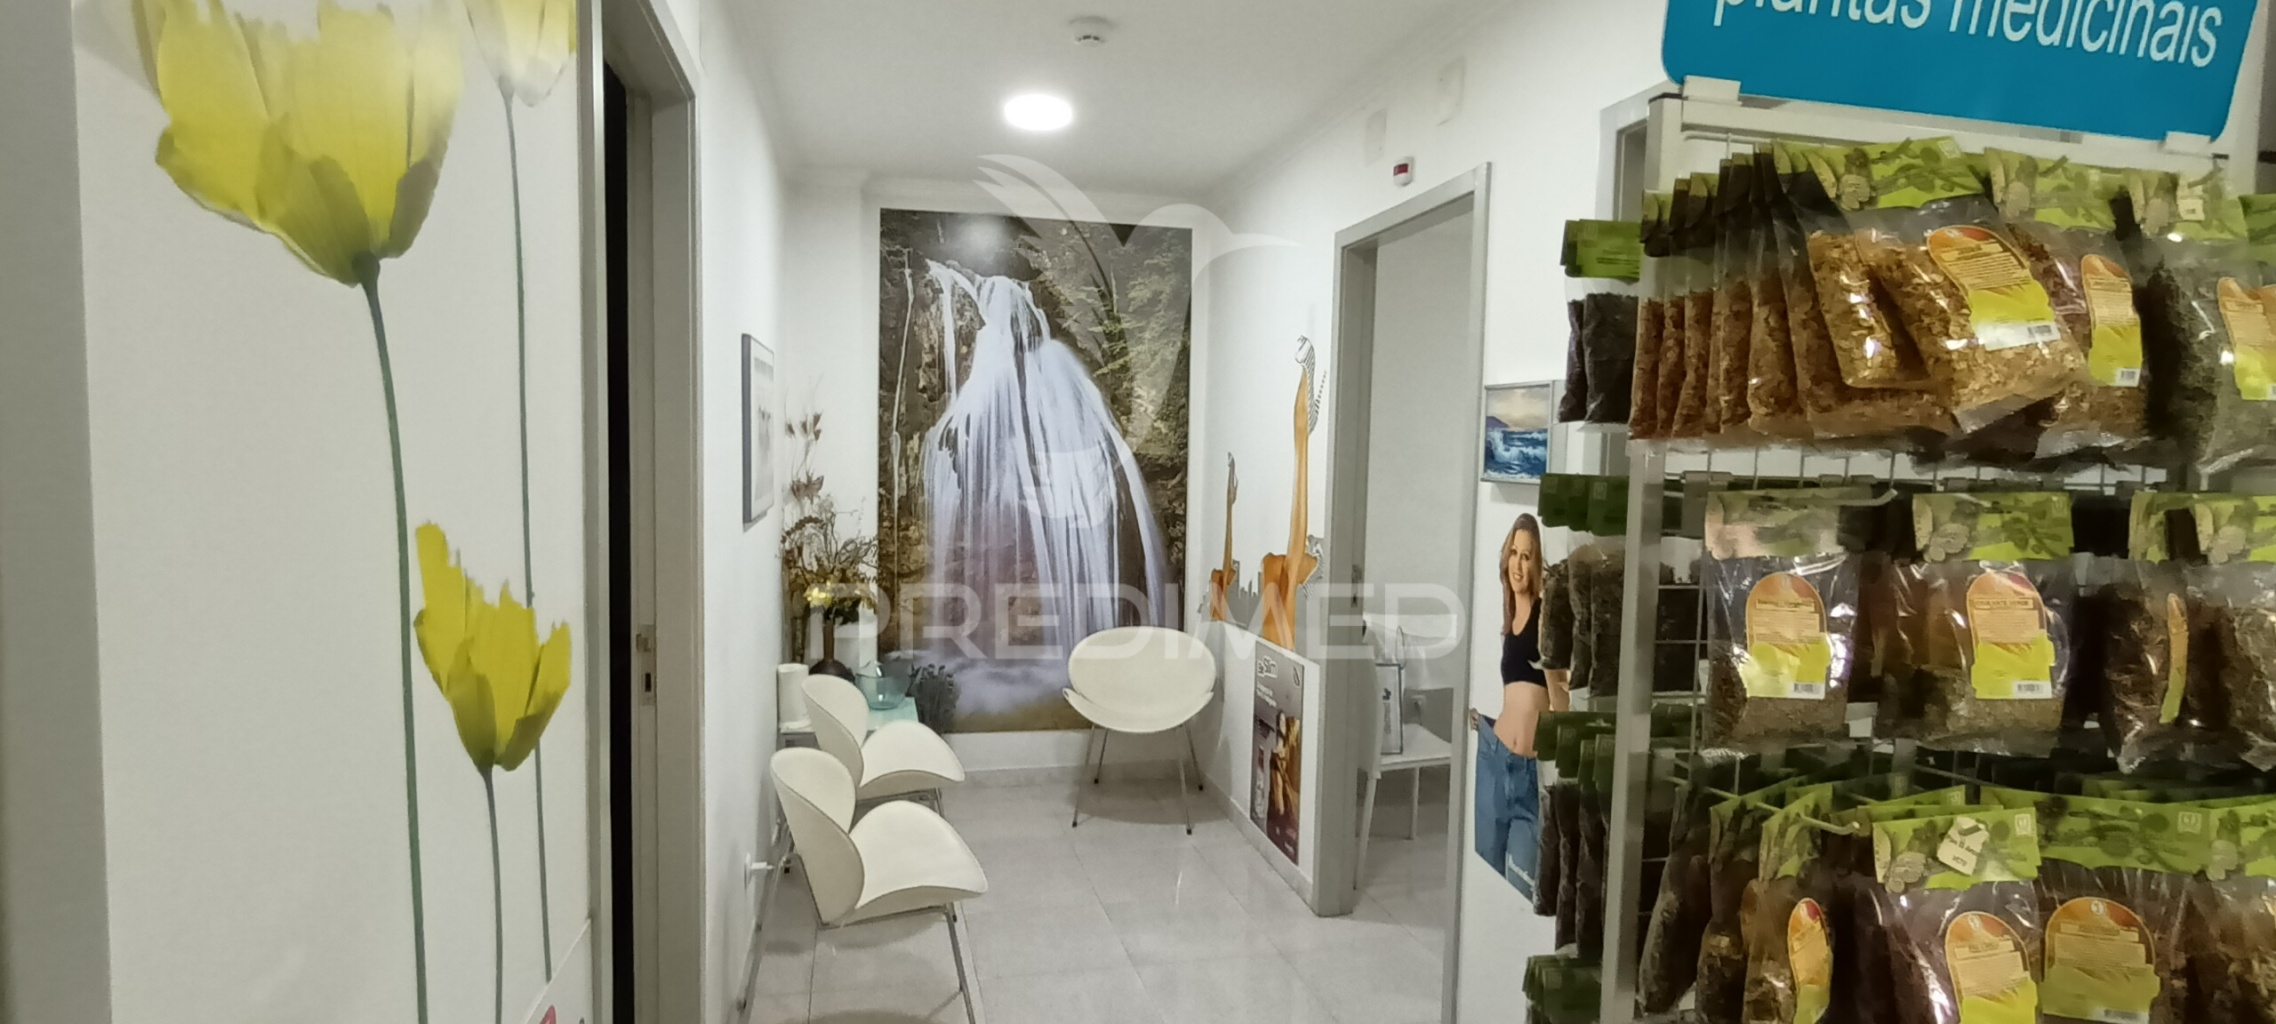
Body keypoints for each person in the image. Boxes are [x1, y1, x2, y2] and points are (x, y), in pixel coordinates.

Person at [1474, 514, 1546, 899]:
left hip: (1530, 771)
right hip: (1495, 757)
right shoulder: (1508, 618)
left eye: (1527, 555)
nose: (1519, 564)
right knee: (1486, 882)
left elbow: (1559, 695)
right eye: (1514, 553)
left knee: (1521, 890)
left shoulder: (1545, 616)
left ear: (1537, 563)